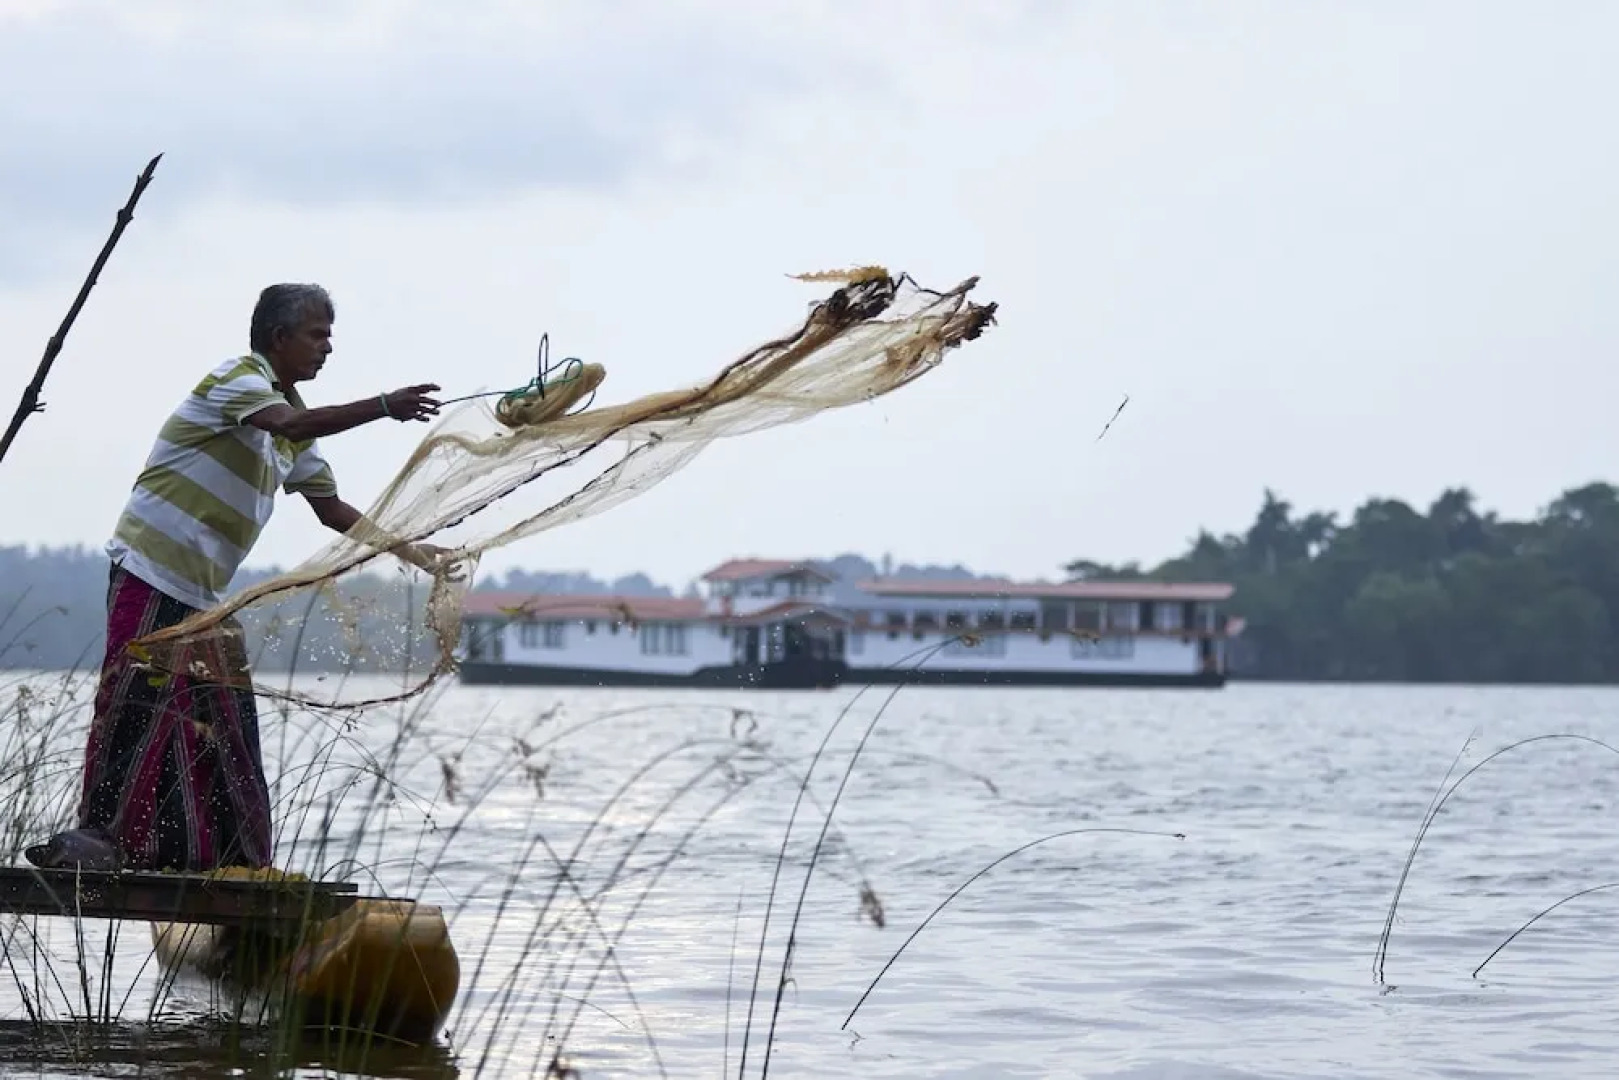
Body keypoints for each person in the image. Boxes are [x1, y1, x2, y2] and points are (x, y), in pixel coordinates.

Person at [27, 283, 458, 875]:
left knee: (223, 721)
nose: (327, 348)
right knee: (132, 704)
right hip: (150, 571)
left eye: (329, 335)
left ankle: (224, 858)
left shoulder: (293, 429)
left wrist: (417, 553)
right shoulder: (238, 381)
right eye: (317, 335)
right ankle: (99, 838)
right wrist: (383, 405)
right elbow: (284, 419)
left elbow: (332, 509)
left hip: (202, 597)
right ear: (278, 339)